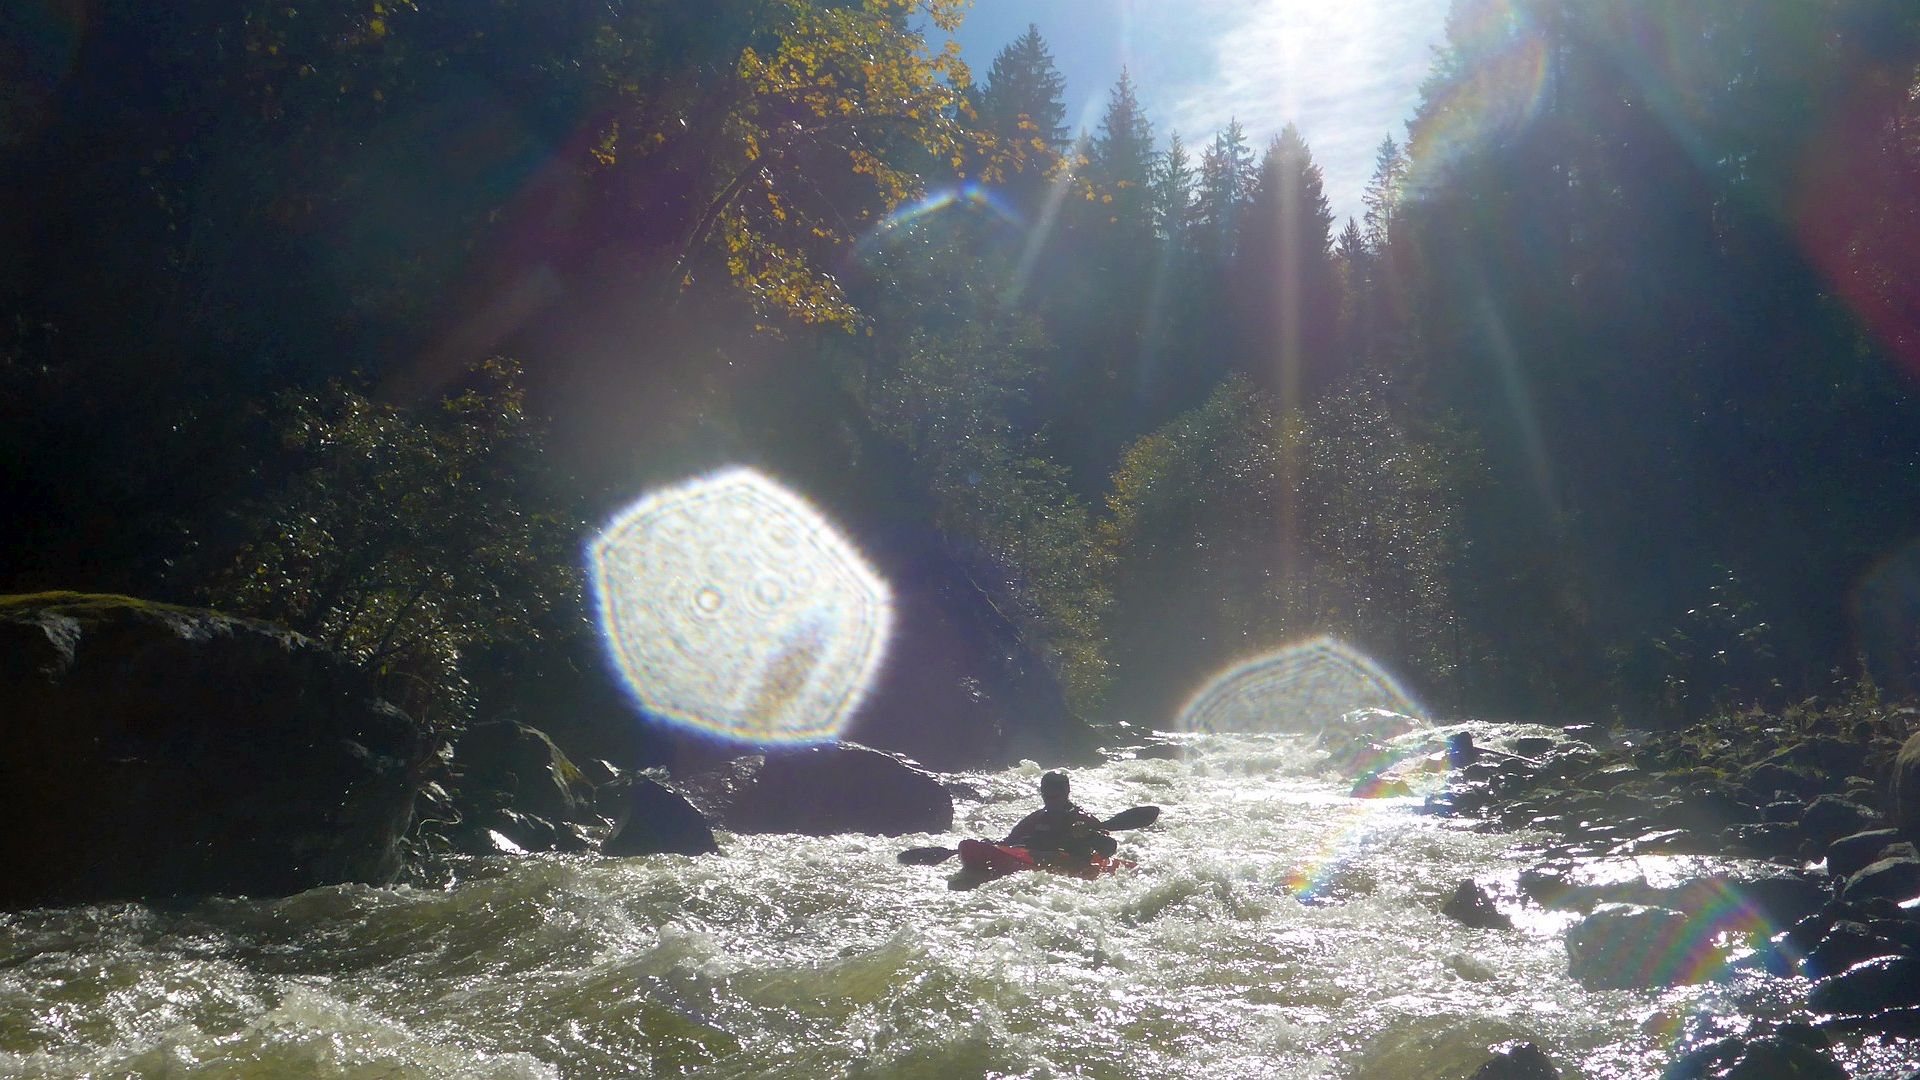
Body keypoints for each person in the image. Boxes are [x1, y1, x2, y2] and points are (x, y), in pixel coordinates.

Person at [1003, 771, 1116, 865]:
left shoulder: (1082, 818)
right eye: (1047, 796)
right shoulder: (1037, 818)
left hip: (1075, 869)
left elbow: (1110, 847)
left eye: (1055, 796)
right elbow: (1007, 842)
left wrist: (1089, 834)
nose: (1051, 801)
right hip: (1041, 864)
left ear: (1066, 792)